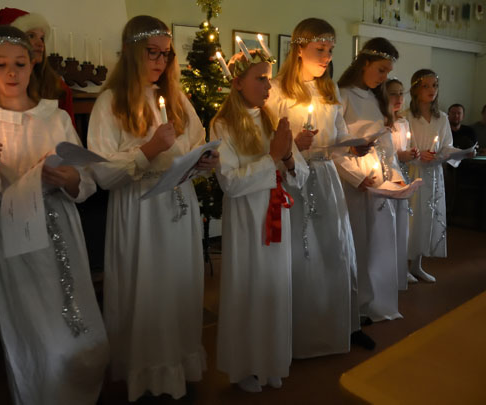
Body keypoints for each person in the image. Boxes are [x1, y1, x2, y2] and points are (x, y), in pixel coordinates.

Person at [0, 25, 108, 404]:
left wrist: (69, 178)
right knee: (35, 330)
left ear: (33, 64)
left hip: (61, 226)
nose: (12, 73)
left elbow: (85, 178)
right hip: (14, 233)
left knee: (78, 322)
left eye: (20, 64)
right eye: (1, 65)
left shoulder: (55, 117)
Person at [86, 16, 217, 401]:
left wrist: (202, 161)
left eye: (166, 54)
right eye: (152, 53)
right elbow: (102, 173)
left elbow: (196, 141)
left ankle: (178, 365)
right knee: (147, 289)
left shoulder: (176, 97)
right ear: (131, 52)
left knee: (179, 285)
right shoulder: (110, 102)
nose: (161, 62)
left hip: (178, 204)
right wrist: (149, 149)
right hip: (140, 210)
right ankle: (146, 375)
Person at [267, 17, 371, 355]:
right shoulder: (278, 90)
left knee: (336, 249)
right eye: (320, 49)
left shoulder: (330, 90)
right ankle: (299, 334)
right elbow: (269, 141)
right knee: (303, 252)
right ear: (299, 49)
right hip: (294, 180)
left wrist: (353, 146)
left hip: (325, 178)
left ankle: (342, 324)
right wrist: (294, 145)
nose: (326, 57)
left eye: (330, 50)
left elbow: (337, 135)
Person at [211, 48, 304, 392]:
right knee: (248, 286)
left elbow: (299, 175)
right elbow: (230, 182)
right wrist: (274, 157)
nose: (269, 85)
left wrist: (289, 157)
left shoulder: (272, 119)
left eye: (269, 78)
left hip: (276, 213)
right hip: (247, 220)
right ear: (237, 83)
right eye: (261, 78)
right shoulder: (222, 125)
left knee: (274, 286)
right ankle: (246, 366)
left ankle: (272, 360)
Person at [336, 37, 404, 323]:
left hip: (379, 178)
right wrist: (355, 175)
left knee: (379, 243)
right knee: (359, 243)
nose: (384, 77)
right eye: (381, 70)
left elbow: (386, 143)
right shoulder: (342, 95)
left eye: (388, 72)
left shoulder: (377, 98)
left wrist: (395, 176)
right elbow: (334, 143)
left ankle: (374, 303)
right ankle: (354, 306)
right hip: (356, 179)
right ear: (364, 63)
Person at [406, 69, 473, 282]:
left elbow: (446, 146)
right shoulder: (406, 116)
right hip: (413, 172)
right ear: (415, 89)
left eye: (434, 85)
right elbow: (401, 146)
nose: (431, 90)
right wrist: (418, 155)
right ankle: (403, 265)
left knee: (427, 218)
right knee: (411, 217)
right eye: (426, 86)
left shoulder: (441, 117)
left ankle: (417, 265)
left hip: (434, 174)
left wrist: (463, 153)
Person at [0, 7, 76, 128]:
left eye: (42, 38)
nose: (40, 44)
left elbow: (69, 135)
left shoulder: (57, 87)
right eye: (31, 36)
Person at [385, 78, 420, 288]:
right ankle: (387, 270)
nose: (399, 98)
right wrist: (399, 155)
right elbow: (384, 153)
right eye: (393, 93)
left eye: (401, 93)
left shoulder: (403, 122)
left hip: (403, 175)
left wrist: (411, 154)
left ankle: (401, 269)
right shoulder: (381, 122)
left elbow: (404, 149)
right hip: (386, 177)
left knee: (402, 223)